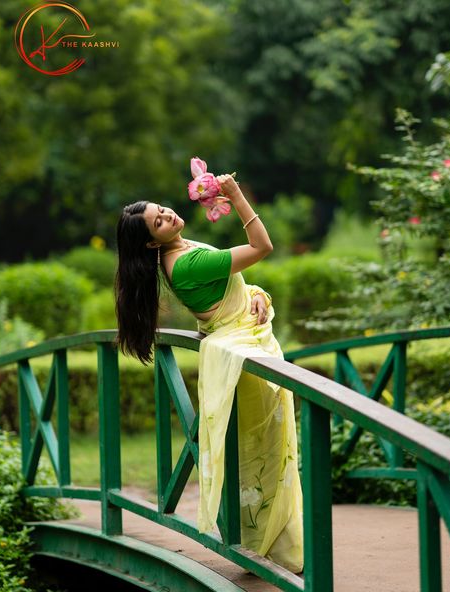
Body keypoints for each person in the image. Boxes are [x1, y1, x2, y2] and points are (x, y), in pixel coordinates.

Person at [114, 175, 303, 574]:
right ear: (152, 243)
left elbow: (226, 293)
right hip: (247, 358)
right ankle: (270, 553)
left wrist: (254, 295)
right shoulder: (189, 263)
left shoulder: (177, 257)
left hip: (242, 347)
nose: (167, 215)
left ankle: (265, 548)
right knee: (266, 455)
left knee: (266, 456)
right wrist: (234, 196)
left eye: (161, 209)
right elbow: (262, 247)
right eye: (158, 222)